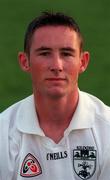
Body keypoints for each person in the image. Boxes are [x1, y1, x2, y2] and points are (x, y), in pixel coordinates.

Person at [0, 11, 110, 180]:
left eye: (66, 54)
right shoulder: (3, 132)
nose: (56, 65)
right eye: (44, 53)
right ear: (25, 61)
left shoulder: (107, 129)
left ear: (83, 62)